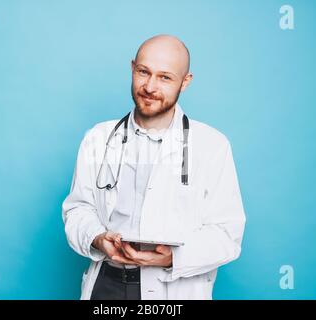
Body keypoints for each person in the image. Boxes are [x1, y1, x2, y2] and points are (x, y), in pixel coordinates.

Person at [62, 34, 246, 300]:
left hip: (173, 290)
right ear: (132, 68)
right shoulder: (98, 138)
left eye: (165, 77)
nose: (150, 86)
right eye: (143, 72)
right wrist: (97, 237)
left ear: (186, 82)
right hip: (106, 285)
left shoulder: (212, 146)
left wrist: (173, 258)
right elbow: (78, 209)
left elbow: (227, 234)